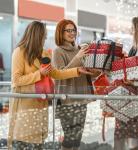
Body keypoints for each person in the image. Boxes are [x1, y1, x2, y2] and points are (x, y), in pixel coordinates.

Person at [8, 21, 93, 150]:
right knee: (24, 141)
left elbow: (56, 73)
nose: (45, 38)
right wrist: (39, 74)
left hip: (41, 104)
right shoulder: (19, 52)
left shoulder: (44, 53)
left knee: (38, 142)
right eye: (44, 36)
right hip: (25, 106)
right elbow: (16, 80)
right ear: (36, 35)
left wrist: (77, 71)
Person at [52, 19, 100, 150]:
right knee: (69, 140)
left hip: (82, 99)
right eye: (68, 30)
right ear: (61, 33)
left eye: (73, 30)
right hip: (67, 100)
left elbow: (86, 74)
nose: (72, 33)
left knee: (77, 140)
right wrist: (78, 58)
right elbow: (60, 73)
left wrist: (97, 71)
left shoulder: (79, 49)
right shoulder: (58, 51)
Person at [114, 16, 138, 150]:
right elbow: (130, 72)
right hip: (130, 98)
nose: (131, 31)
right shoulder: (134, 49)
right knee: (124, 135)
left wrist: (137, 83)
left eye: (133, 28)